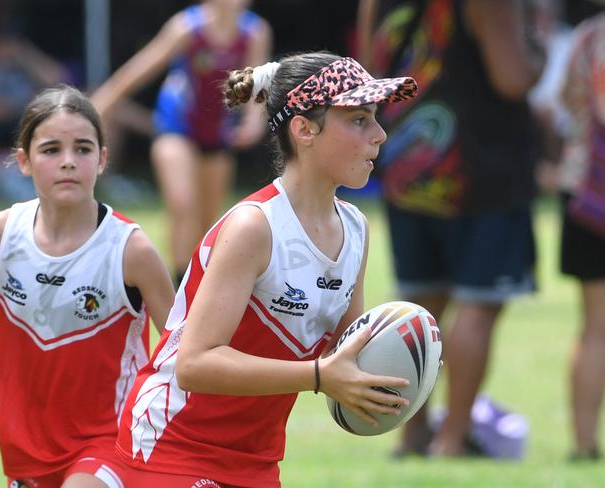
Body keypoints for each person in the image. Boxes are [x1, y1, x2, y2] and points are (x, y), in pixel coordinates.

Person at [108, 52, 418, 487]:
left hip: (255, 458)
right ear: (304, 128)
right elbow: (194, 365)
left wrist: (406, 354)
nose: (381, 135)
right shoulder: (255, 226)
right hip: (172, 446)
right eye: (360, 120)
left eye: (376, 119)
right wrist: (317, 377)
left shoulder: (356, 229)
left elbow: (345, 355)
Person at [0, 84, 175, 488]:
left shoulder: (130, 249)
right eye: (52, 150)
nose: (69, 162)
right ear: (24, 161)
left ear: (103, 159)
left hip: (111, 442)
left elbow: (185, 351)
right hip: (26, 450)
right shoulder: (2, 233)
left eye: (83, 149)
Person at [357, 0, 545, 457]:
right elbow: (512, 76)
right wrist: (537, 46)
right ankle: (452, 440)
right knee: (479, 306)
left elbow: (367, 69)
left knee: (419, 306)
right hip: (480, 170)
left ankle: (411, 434)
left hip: (407, 164)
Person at [91, 0, 272, 285]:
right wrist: (98, 105)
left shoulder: (255, 31)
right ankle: (178, 292)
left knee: (209, 222)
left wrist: (253, 122)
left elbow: (258, 83)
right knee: (182, 204)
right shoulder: (187, 27)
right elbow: (139, 70)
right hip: (176, 127)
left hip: (216, 133)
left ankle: (199, 289)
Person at [550, 6, 605, 461]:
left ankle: (584, 445)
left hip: (584, 192)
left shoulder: (588, 36)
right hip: (592, 191)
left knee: (594, 330)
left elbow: (567, 101)